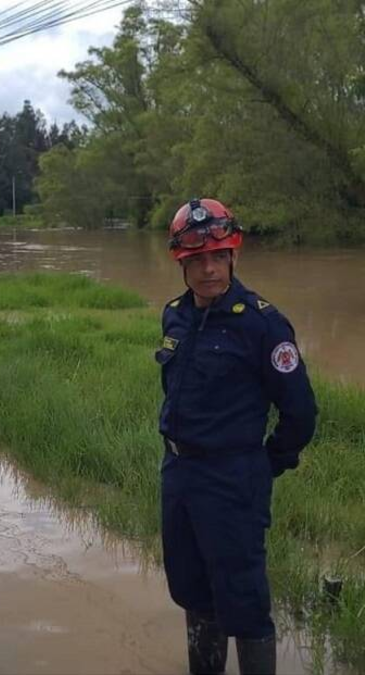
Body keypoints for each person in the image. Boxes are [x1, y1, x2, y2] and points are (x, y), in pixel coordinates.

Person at [156, 198, 316, 675]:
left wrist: (266, 464)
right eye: (197, 260)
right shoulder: (175, 316)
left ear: (233, 256)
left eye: (218, 257)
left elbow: (300, 413)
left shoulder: (263, 325)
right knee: (191, 588)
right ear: (181, 264)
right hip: (180, 473)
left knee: (243, 600)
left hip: (233, 479)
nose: (209, 269)